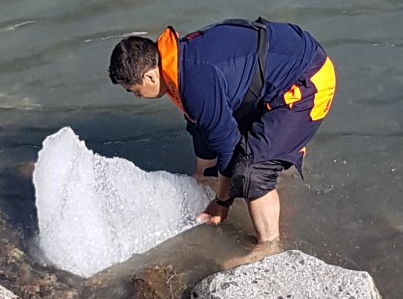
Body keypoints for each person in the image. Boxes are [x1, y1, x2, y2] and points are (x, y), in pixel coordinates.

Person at [108, 18, 336, 259]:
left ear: (150, 77)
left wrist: (221, 202)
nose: (137, 97)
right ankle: (281, 159)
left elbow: (228, 147)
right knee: (241, 151)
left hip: (308, 78)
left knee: (251, 170)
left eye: (134, 91)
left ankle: (269, 247)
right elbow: (202, 127)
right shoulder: (177, 62)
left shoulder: (195, 80)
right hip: (279, 68)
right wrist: (203, 176)